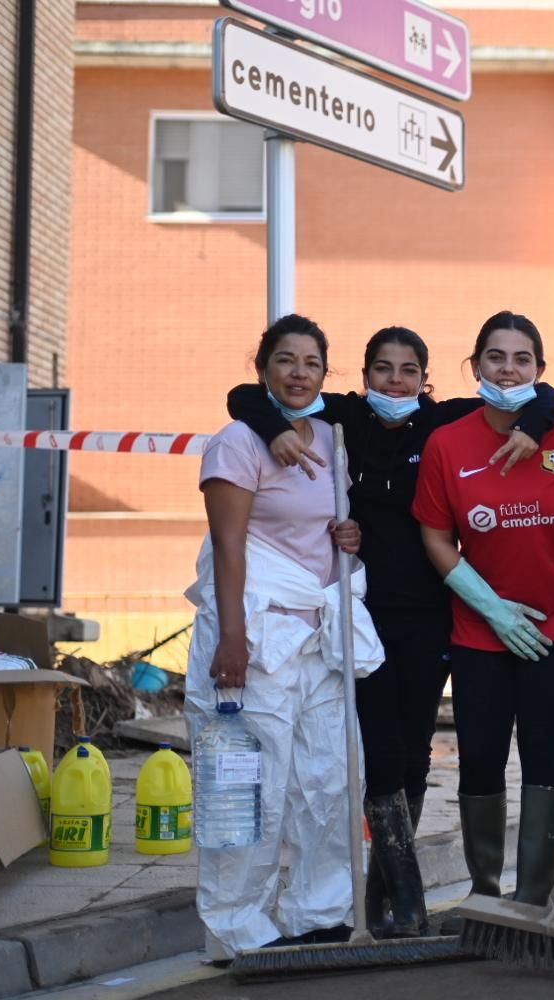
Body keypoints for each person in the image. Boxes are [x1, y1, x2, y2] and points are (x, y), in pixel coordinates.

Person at [226, 327, 554, 937]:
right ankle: (405, 898)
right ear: (364, 376)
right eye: (383, 369)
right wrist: (274, 430)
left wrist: (534, 429)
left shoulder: (442, 422)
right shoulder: (343, 418)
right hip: (359, 612)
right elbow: (244, 396)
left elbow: (545, 396)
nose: (396, 382)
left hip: (429, 614)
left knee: (413, 750)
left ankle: (387, 895)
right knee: (378, 748)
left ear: (426, 380)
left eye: (409, 371)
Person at [184, 313, 384, 958]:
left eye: (312, 363)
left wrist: (346, 536)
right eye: (286, 361)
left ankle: (321, 911)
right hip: (257, 634)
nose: (299, 374)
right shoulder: (238, 443)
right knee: (250, 784)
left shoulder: (330, 437)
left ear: (326, 373)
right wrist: (231, 638)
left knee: (331, 777)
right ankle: (236, 925)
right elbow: (229, 545)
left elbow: (320, 525)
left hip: (319, 634)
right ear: (262, 368)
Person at [414, 311, 554, 910]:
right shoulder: (448, 443)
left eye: (521, 359)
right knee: (482, 757)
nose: (508, 370)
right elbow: (436, 536)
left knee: (543, 752)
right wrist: (491, 608)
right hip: (478, 629)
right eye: (496, 357)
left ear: (540, 369)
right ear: (475, 365)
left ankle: (534, 899)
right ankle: (485, 895)